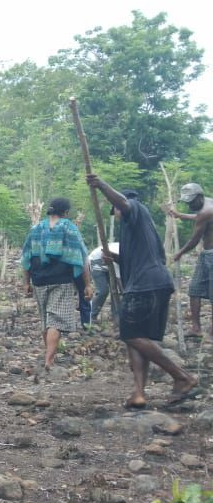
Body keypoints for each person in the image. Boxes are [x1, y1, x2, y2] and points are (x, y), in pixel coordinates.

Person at [87, 174, 199, 408]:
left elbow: (124, 203)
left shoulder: (134, 209)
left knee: (130, 335)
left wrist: (101, 185)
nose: (116, 215)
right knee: (137, 338)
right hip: (153, 282)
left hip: (145, 285)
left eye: (115, 211)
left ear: (119, 207)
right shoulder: (138, 229)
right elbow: (139, 258)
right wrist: (115, 257)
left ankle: (182, 377)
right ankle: (138, 393)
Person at [20, 197, 94, 370]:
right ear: (66, 212)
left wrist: (26, 282)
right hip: (61, 280)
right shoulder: (69, 228)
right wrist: (87, 284)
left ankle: (48, 354)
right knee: (55, 321)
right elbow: (82, 257)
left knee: (45, 320)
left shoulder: (36, 229)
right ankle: (49, 360)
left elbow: (26, 258)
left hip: (38, 280)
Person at [168, 182, 213, 338]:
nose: (190, 205)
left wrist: (179, 253)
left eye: (191, 202)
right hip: (206, 254)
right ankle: (196, 328)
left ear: (199, 197)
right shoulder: (207, 204)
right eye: (187, 202)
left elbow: (194, 240)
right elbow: (199, 217)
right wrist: (181, 215)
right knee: (194, 290)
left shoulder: (206, 210)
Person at [88, 242, 120, 323]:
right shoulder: (117, 252)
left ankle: (116, 317)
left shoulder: (124, 254)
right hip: (96, 260)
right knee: (103, 290)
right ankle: (91, 316)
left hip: (110, 263)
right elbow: (119, 279)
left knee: (115, 290)